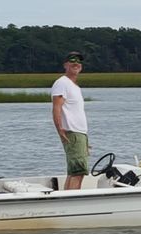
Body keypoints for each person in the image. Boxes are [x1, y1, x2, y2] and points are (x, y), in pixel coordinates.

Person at [51, 51, 89, 190]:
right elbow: (57, 107)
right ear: (65, 65)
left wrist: (84, 139)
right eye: (72, 60)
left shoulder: (74, 86)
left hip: (79, 133)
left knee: (75, 171)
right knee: (78, 171)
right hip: (72, 132)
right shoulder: (62, 83)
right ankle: (72, 202)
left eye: (79, 61)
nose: (76, 63)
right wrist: (60, 129)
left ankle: (66, 199)